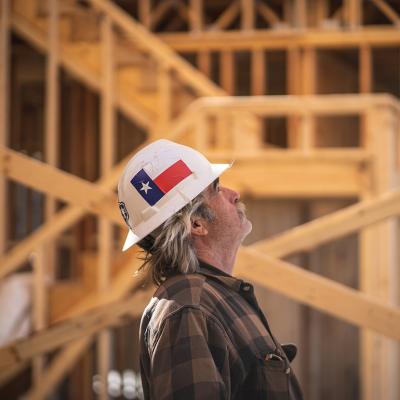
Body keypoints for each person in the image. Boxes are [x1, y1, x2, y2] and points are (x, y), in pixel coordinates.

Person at [118, 139, 303, 399]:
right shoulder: (188, 309)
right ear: (196, 223)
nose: (233, 193)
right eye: (215, 188)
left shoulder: (207, 300)